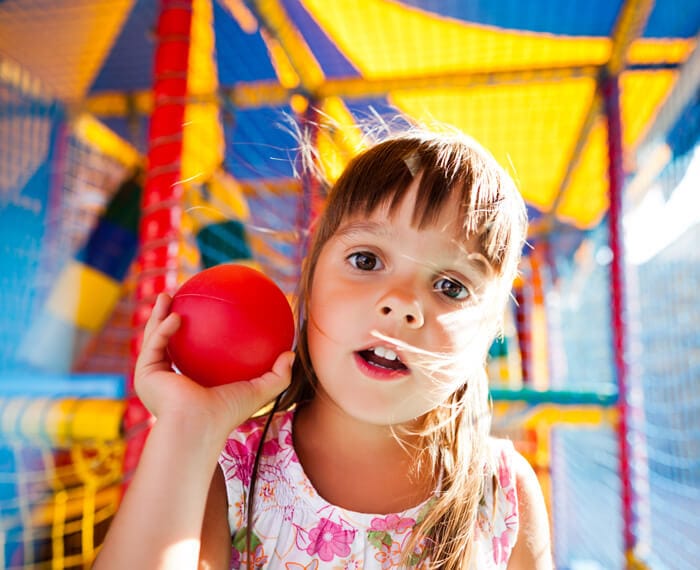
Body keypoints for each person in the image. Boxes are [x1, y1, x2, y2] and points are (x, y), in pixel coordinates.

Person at [94, 128, 552, 569]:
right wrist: (187, 429)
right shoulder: (226, 470)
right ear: (310, 282)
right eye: (367, 260)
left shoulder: (502, 493)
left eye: (450, 287)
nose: (401, 304)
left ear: (490, 332)